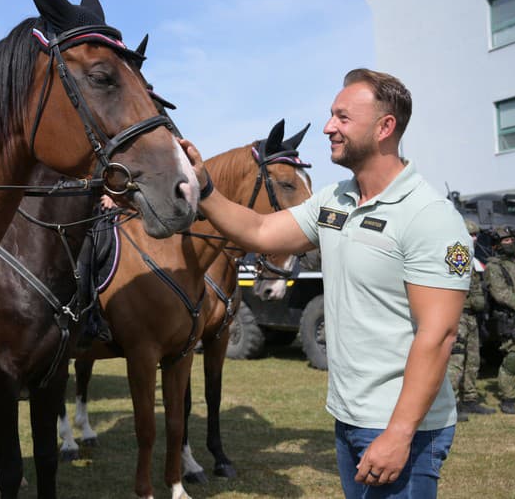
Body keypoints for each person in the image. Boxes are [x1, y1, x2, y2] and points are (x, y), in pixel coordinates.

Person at [180, 68, 470, 498]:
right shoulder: (336, 200)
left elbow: (439, 334)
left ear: (385, 127)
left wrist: (398, 433)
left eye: (342, 117)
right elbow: (260, 231)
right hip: (348, 416)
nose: (328, 127)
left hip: (399, 427)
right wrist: (205, 187)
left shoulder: (430, 215)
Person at [446, 219, 495, 420]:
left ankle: (470, 399)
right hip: (460, 315)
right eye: (470, 235)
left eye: (476, 235)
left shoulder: (471, 256)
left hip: (472, 316)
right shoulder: (457, 253)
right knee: (456, 360)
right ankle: (452, 403)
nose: (474, 239)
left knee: (473, 359)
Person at [484, 226, 515, 414]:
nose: (511, 243)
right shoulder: (494, 266)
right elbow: (500, 293)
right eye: (506, 240)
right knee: (513, 357)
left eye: (512, 239)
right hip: (512, 318)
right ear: (497, 245)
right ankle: (508, 397)